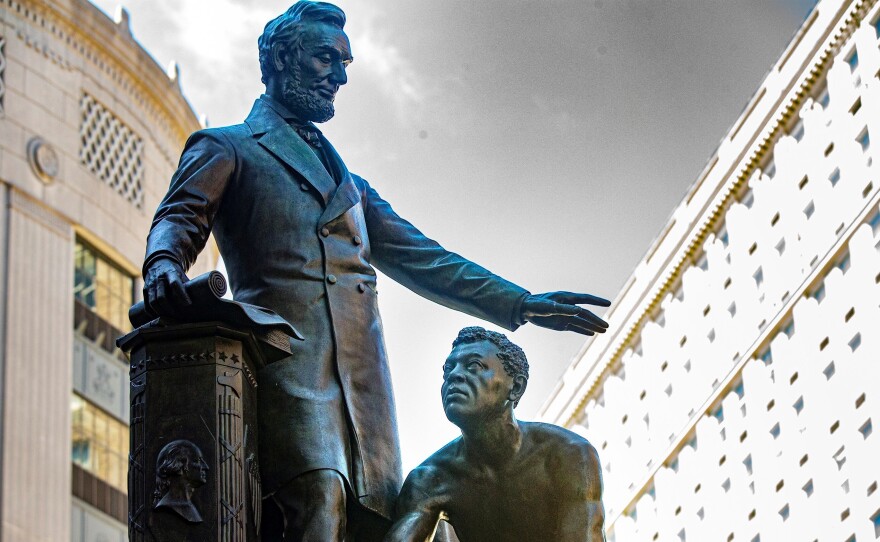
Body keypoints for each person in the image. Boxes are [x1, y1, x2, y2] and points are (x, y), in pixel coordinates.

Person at [141, 2, 610, 540]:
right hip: (287, 365)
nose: (339, 77)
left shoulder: (355, 189)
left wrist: (519, 302)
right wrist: (163, 263)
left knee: (372, 523)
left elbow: (426, 260)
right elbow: (179, 216)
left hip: (365, 388)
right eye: (326, 59)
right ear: (282, 59)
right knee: (318, 496)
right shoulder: (227, 147)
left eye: (344, 64)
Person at [386, 327, 606, 542]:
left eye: (474, 366)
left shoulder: (568, 455)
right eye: (448, 370)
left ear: (516, 387)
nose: (454, 375)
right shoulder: (429, 479)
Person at [153, 440, 209, 524]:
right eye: (197, 460)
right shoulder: (167, 507)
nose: (206, 467)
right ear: (181, 465)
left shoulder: (188, 505)